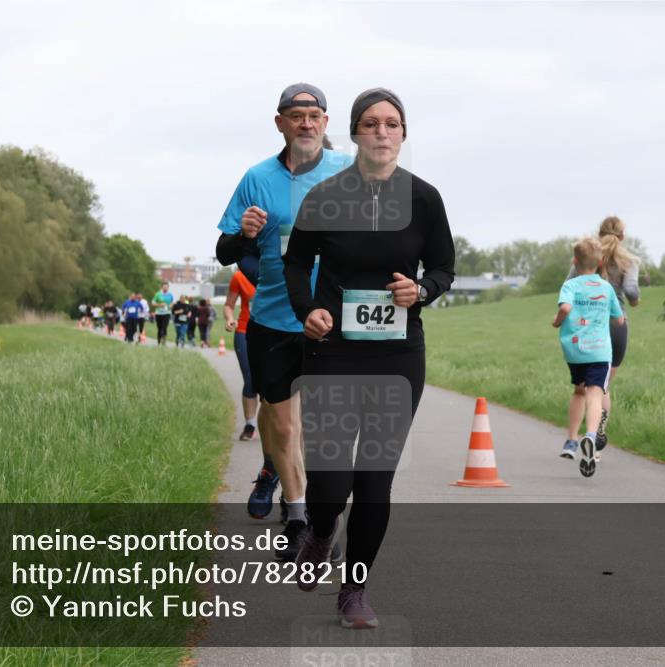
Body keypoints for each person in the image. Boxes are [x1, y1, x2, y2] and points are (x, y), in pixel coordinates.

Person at [284, 88, 455, 629]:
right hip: (332, 352)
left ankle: (354, 591)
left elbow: (444, 268)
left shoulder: (424, 198)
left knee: (375, 479)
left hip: (398, 356)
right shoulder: (324, 196)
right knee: (331, 484)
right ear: (356, 133)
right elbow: (296, 264)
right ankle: (320, 528)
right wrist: (307, 308)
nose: (382, 132)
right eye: (371, 123)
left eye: (392, 124)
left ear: (403, 135)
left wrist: (421, 291)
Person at [215, 83, 352, 554]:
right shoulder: (257, 177)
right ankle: (297, 517)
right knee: (286, 427)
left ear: (326, 123)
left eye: (315, 115)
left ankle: (322, 518)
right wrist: (243, 235)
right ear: (280, 123)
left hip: (333, 320)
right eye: (296, 115)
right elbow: (224, 250)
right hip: (273, 320)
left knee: (324, 430)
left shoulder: (349, 171)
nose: (306, 123)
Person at [566, 216, 641, 459]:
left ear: (599, 232)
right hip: (616, 325)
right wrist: (635, 300)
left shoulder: (586, 257)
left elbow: (569, 284)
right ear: (623, 236)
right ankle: (596, 438)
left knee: (584, 387)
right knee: (602, 386)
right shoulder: (628, 261)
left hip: (586, 324)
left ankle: (579, 438)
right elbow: (630, 290)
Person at [553, 237, 626, 477]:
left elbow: (564, 308)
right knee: (596, 393)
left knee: (579, 390)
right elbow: (619, 319)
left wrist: (557, 321)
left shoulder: (571, 285)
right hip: (600, 351)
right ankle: (591, 437)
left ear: (575, 261)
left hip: (575, 350)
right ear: (601, 262)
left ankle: (572, 441)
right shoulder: (606, 288)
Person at [224, 267, 260, 441]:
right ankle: (250, 424)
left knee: (271, 383)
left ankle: (274, 424)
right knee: (250, 379)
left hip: (272, 333)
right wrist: (230, 318)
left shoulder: (278, 270)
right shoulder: (239, 276)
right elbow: (229, 305)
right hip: (244, 331)